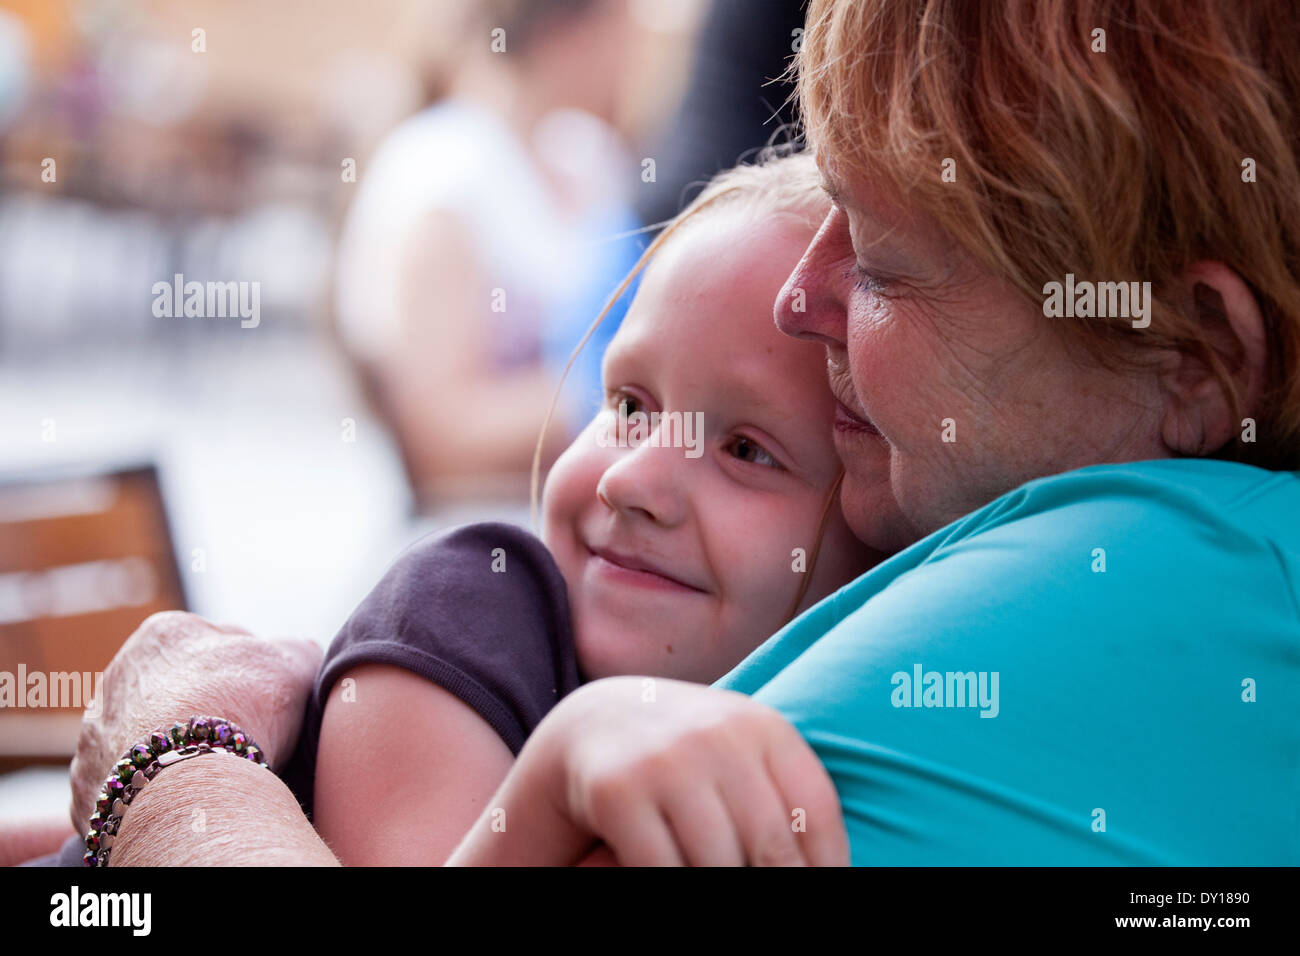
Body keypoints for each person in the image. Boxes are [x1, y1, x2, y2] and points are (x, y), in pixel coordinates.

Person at [67, 0, 1300, 866]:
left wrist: (176, 767)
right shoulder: (474, 607)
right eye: (628, 402)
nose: (804, 301)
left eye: (881, 264)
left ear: (1194, 355)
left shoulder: (965, 615)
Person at [284, 153, 880, 864]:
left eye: (746, 451)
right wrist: (564, 766)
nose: (631, 481)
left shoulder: (869, 723)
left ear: (884, 541)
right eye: (630, 406)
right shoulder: (456, 617)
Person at [335, 0, 643, 507]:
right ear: (572, 31)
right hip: (479, 526)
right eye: (626, 31)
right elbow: (443, 447)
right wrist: (635, 401)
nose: (635, 62)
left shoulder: (590, 157)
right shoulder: (441, 174)